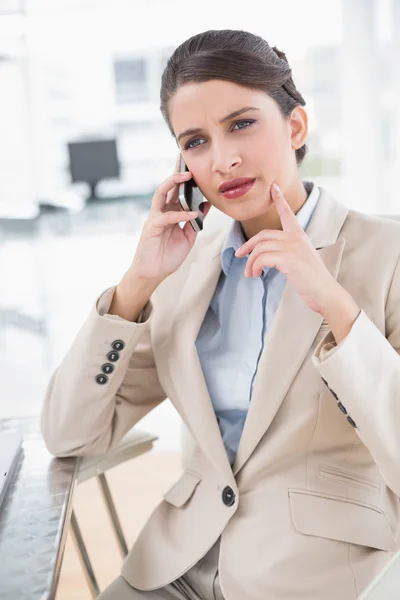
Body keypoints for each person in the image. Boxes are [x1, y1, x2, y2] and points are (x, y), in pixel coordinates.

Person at [41, 29, 400, 600]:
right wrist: (136, 286)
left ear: (296, 126)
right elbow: (68, 432)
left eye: (241, 124)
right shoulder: (187, 271)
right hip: (176, 567)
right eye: (195, 141)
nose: (222, 158)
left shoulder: (386, 254)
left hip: (314, 574)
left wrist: (335, 306)